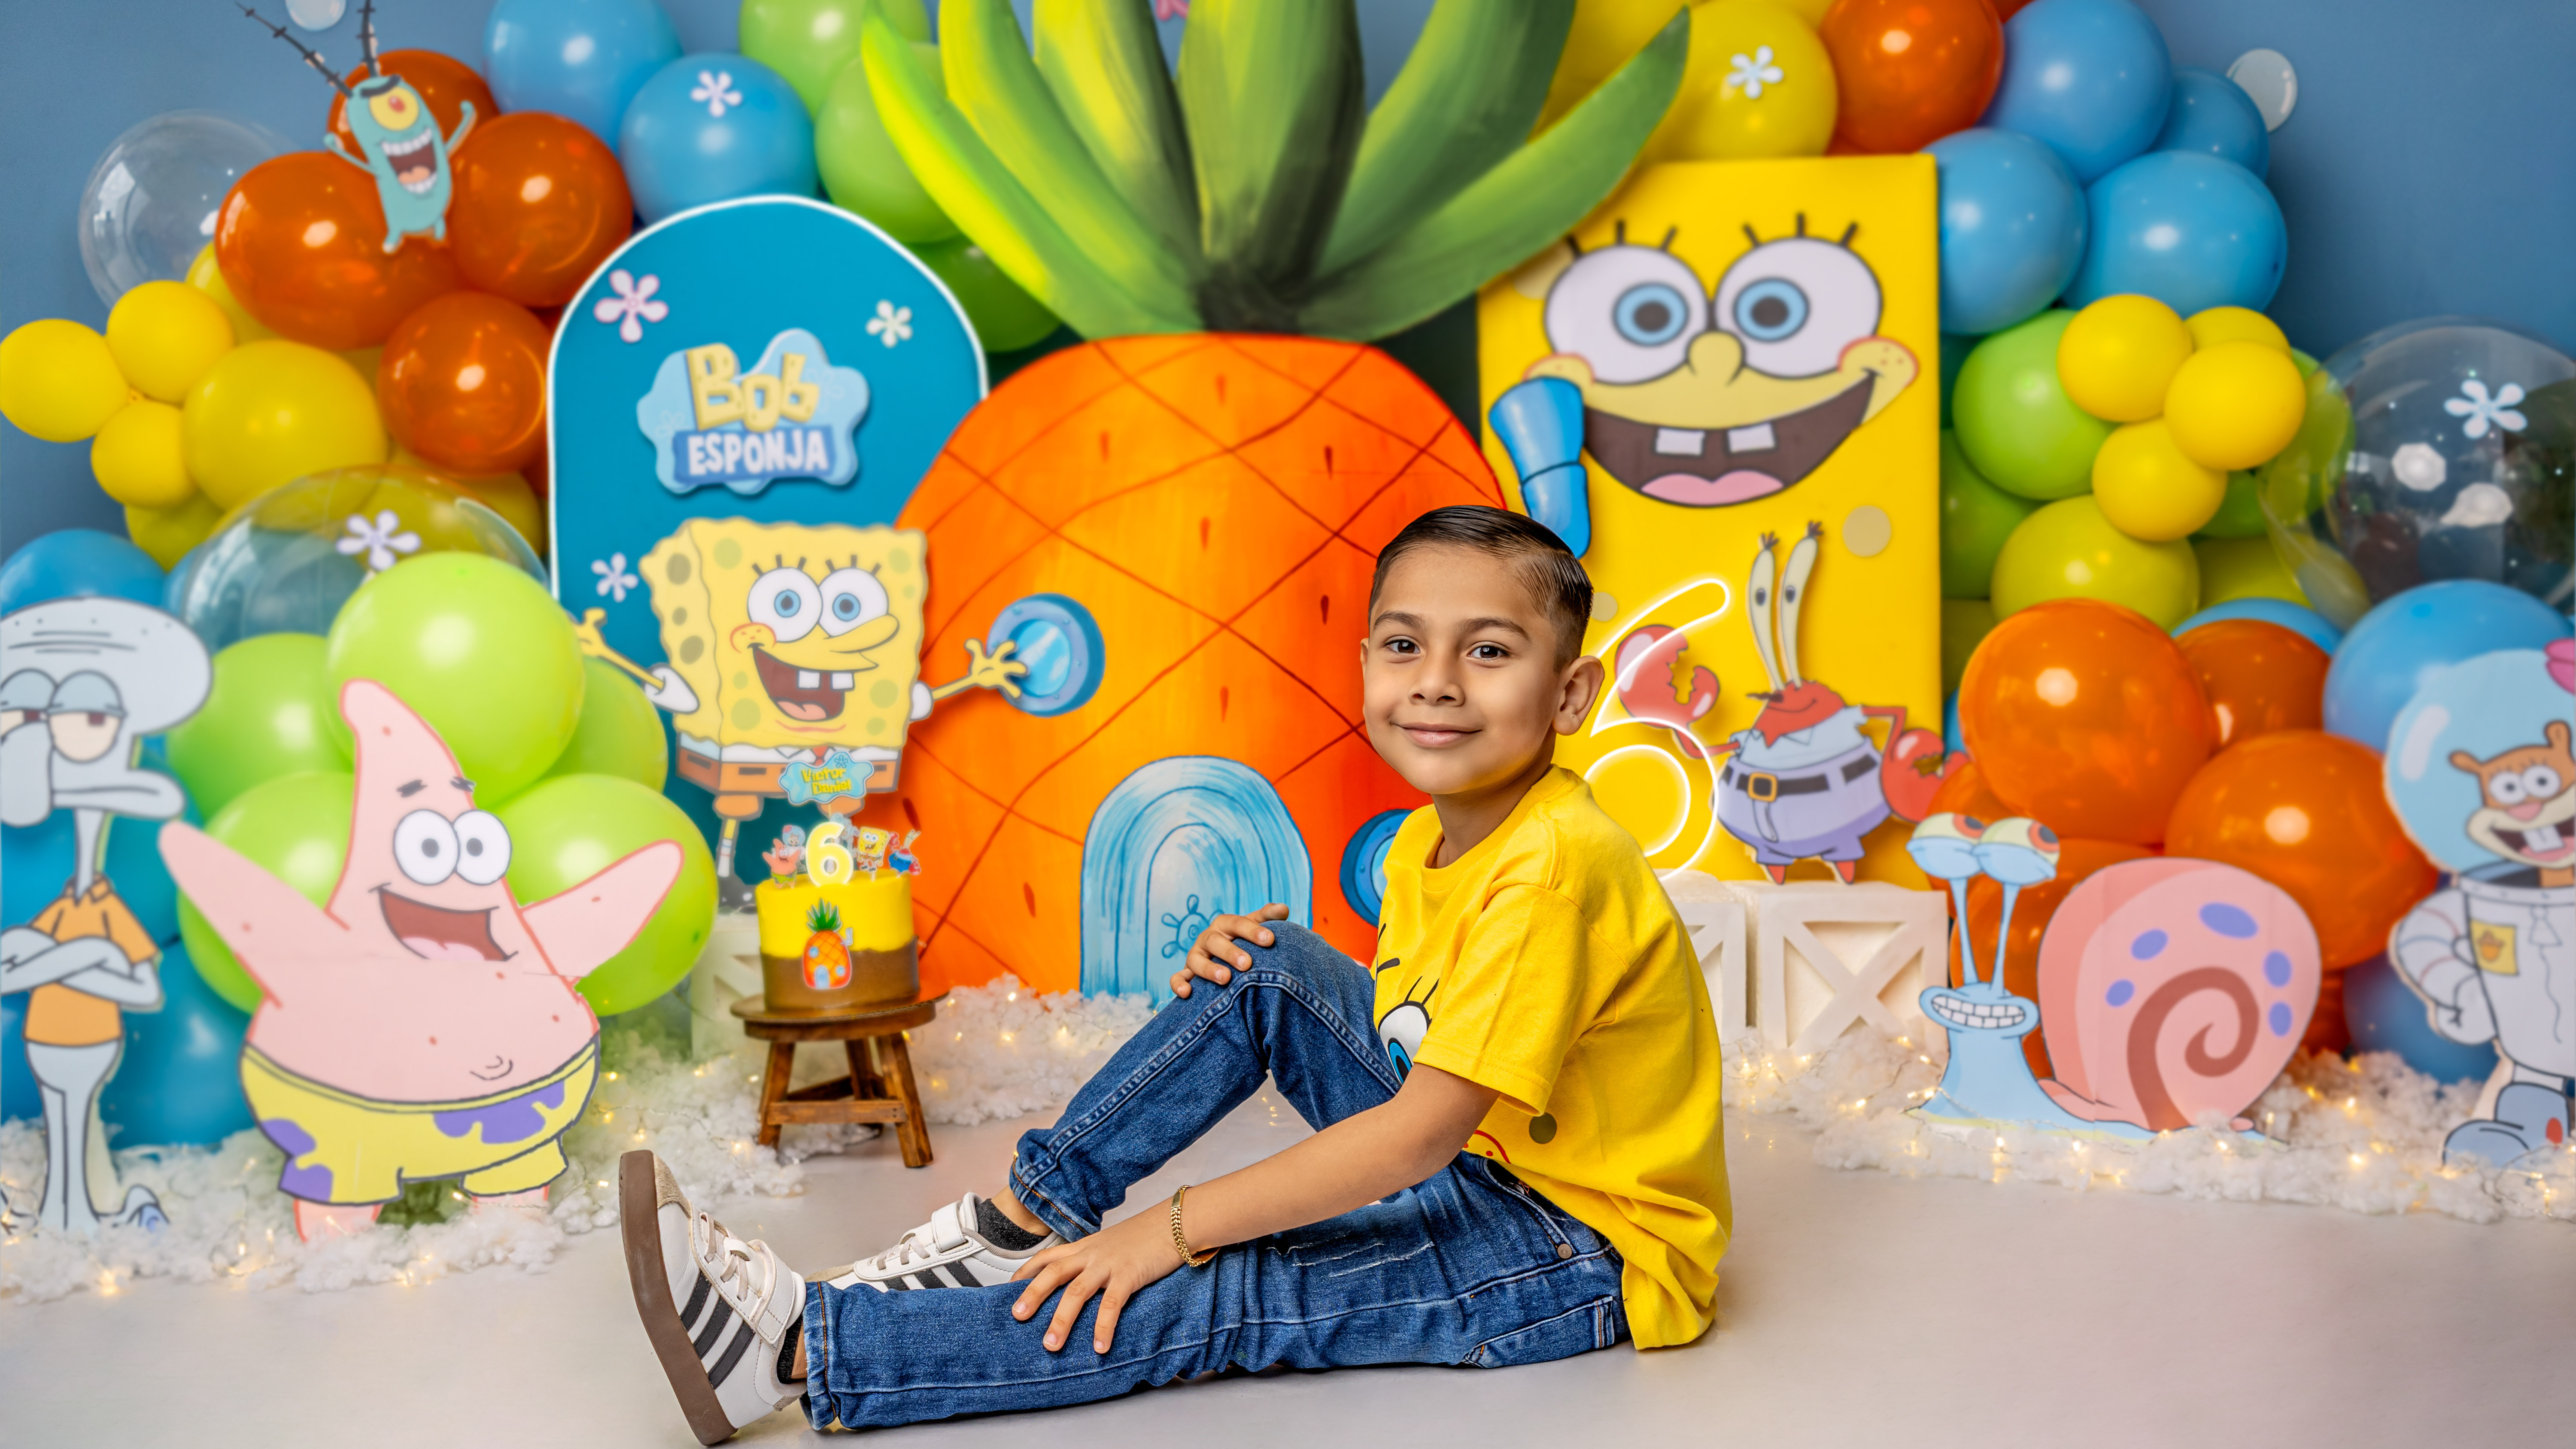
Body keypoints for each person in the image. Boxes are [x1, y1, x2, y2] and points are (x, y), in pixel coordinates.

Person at [617, 506, 1732, 1442]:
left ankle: (799, 1346)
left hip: (1574, 1250)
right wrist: (1263, 997)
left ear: (1571, 694)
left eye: (1488, 652)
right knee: (1268, 967)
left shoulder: (1556, 869)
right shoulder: (1425, 843)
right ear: (1366, 664)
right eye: (1405, 645)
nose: (1436, 683)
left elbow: (1416, 1137)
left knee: (1222, 1281)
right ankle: (1013, 1227)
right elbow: (1425, 1025)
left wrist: (1172, 1228)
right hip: (1492, 1162)